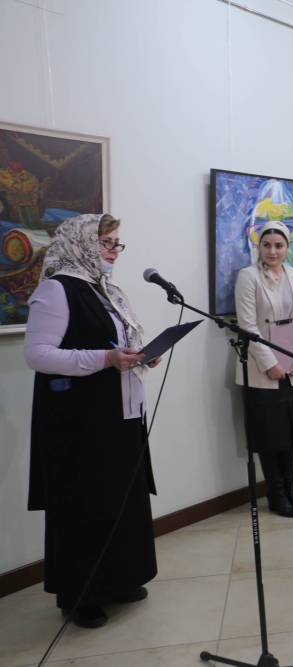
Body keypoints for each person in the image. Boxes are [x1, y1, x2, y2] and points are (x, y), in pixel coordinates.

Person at [25, 214, 163, 629]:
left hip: (118, 412)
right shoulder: (57, 289)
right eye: (106, 242)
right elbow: (38, 355)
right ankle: (80, 595)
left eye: (117, 243)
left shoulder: (105, 289)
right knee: (85, 503)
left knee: (118, 499)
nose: (113, 251)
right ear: (81, 242)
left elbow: (116, 343)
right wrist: (105, 359)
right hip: (79, 420)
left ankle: (120, 580)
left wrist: (139, 355)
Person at [235, 221, 293, 516]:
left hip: (292, 367)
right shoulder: (248, 276)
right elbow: (247, 326)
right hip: (261, 370)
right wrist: (270, 364)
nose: (272, 251)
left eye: (279, 245)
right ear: (259, 246)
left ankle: (291, 490)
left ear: (287, 247)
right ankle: (276, 494)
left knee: (289, 434)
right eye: (266, 245)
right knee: (270, 436)